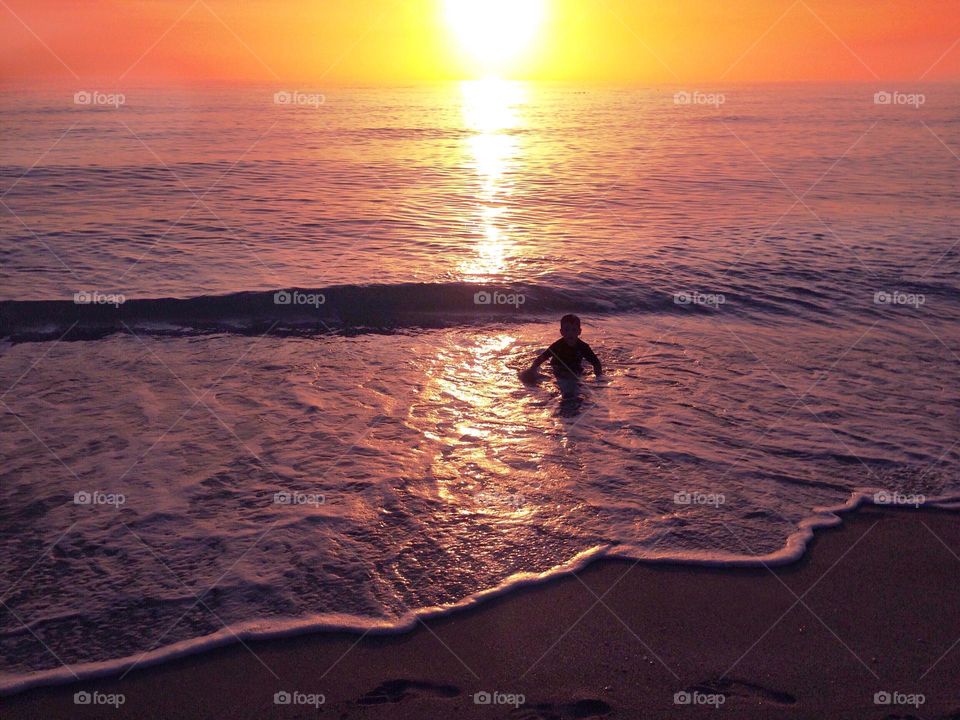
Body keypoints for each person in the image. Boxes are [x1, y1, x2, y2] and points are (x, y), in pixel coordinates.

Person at [521, 314, 602, 381]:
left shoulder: (583, 347)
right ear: (561, 332)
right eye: (567, 330)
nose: (570, 333)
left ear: (579, 331)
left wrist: (598, 377)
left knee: (577, 379)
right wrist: (532, 369)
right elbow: (543, 357)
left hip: (575, 368)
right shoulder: (557, 345)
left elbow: (595, 362)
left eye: (574, 330)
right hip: (557, 368)